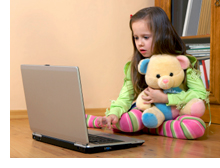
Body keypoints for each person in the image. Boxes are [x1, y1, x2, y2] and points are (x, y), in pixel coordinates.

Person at [86, 7, 209, 139]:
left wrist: (167, 99)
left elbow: (200, 95)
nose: (140, 43)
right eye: (136, 38)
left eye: (145, 37)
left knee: (196, 127)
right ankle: (100, 121)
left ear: (163, 34)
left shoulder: (182, 63)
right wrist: (114, 114)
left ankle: (151, 128)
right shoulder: (135, 66)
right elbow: (125, 97)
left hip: (176, 114)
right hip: (147, 111)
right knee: (123, 120)